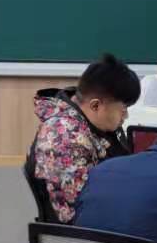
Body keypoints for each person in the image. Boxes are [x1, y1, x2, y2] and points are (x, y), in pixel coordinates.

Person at [31, 53, 140, 223]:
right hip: (83, 231)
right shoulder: (66, 139)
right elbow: (82, 213)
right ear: (95, 105)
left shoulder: (88, 119)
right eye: (123, 109)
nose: (125, 116)